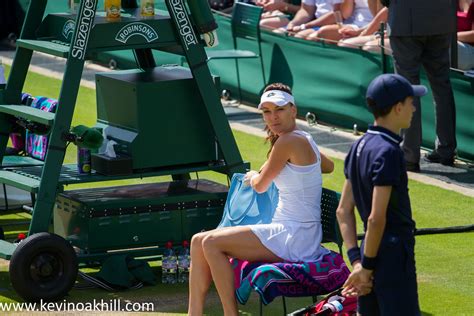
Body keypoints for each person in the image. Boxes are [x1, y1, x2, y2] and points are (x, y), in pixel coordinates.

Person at [188, 83, 335, 316]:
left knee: (211, 243)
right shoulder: (302, 138)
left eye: (279, 110)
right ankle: (194, 313)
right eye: (266, 111)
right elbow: (329, 166)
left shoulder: (288, 141)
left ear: (293, 110)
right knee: (198, 240)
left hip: (295, 238)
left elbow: (260, 185)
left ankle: (230, 314)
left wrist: (257, 174)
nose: (272, 117)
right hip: (290, 232)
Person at [337, 73, 428, 315]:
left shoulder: (358, 145)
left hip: (370, 250)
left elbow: (343, 210)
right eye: (411, 103)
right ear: (398, 108)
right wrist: (365, 268)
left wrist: (358, 261)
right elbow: (376, 218)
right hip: (393, 255)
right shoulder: (389, 152)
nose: (414, 109)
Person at [368, 0, 457, 171]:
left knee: (407, 88)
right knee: (441, 84)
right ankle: (446, 150)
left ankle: (409, 154)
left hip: (405, 18)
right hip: (441, 18)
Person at [302, 0, 373, 42]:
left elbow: (379, 18)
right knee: (310, 38)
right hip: (354, 25)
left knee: (322, 33)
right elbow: (345, 14)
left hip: (371, 26)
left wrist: (360, 31)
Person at [260, 0, 341, 33]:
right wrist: (293, 24)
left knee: (301, 36)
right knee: (279, 33)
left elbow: (338, 14)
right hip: (314, 23)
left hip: (338, 25)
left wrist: (305, 26)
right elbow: (306, 11)